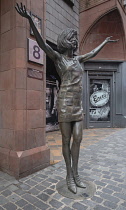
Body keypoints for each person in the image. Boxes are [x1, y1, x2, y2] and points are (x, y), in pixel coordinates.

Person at [15, 3, 118, 194]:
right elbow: (42, 44)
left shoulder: (78, 60)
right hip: (64, 104)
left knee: (77, 139)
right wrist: (30, 20)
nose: (74, 41)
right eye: (72, 39)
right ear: (65, 41)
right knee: (65, 140)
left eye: (75, 39)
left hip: (77, 105)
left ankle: (76, 174)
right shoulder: (58, 58)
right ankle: (69, 175)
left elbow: (92, 53)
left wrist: (104, 43)